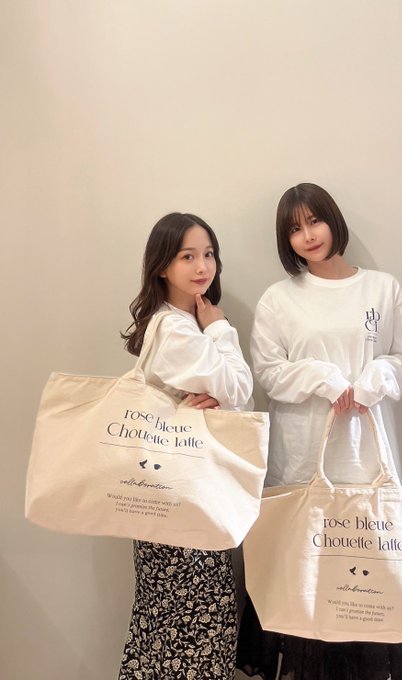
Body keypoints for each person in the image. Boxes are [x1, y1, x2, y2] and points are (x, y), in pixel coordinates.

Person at [237, 183, 402, 680]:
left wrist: (374, 379)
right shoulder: (279, 299)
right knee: (306, 587)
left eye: (314, 221)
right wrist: (324, 379)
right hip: (303, 459)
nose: (307, 235)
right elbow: (268, 371)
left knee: (366, 588)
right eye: (294, 229)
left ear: (333, 220)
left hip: (367, 461)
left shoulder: (382, 289)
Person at [118, 212, 253, 680]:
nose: (202, 266)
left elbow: (232, 398)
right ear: (162, 266)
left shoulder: (178, 323)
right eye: (187, 256)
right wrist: (220, 328)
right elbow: (240, 387)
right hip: (181, 499)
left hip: (170, 496)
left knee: (168, 629)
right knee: (195, 628)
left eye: (209, 254)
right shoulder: (177, 329)